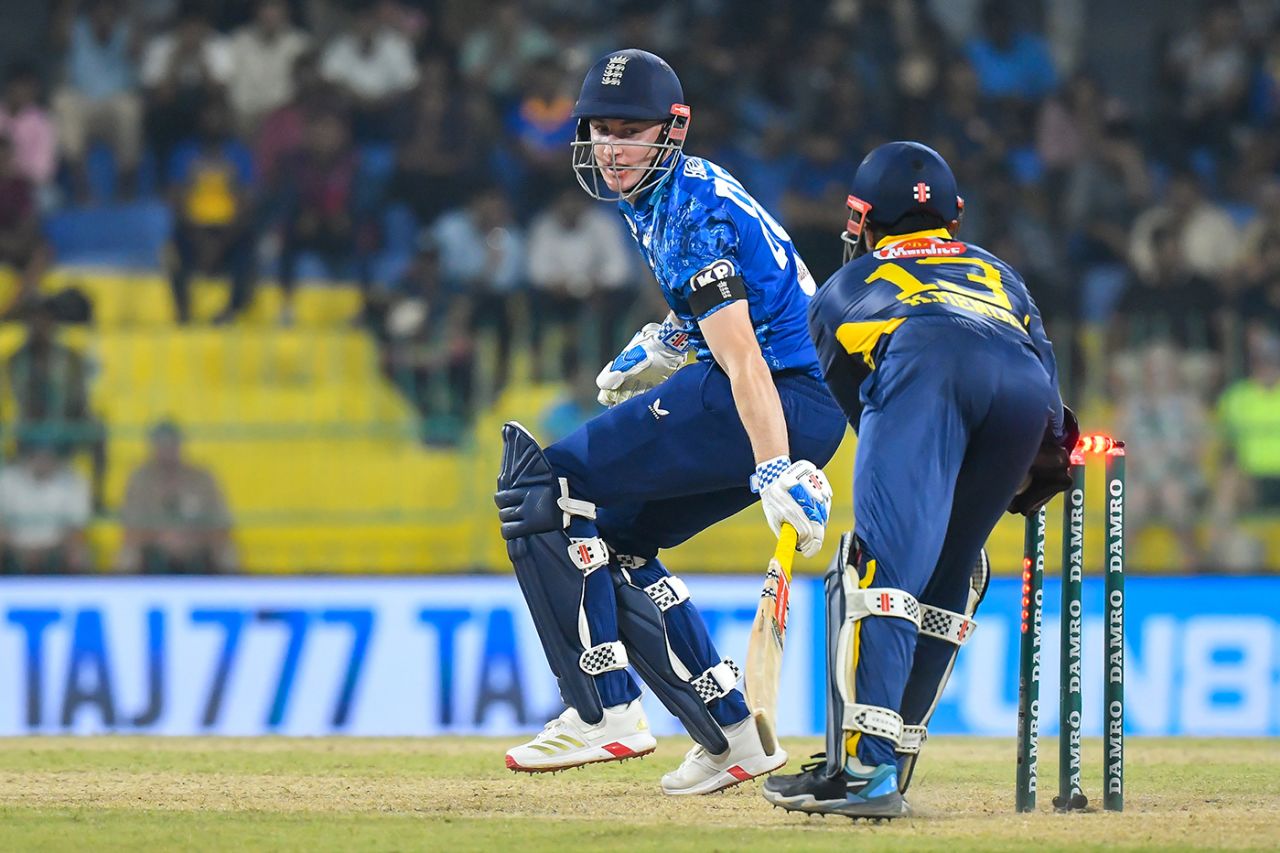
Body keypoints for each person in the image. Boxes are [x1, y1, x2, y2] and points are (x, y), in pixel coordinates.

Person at [494, 50, 847, 795]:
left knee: (545, 488)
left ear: (671, 129)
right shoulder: (667, 191)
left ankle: (603, 710)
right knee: (617, 539)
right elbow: (746, 301)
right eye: (601, 131)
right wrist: (662, 341)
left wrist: (775, 464)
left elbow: (747, 356)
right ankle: (732, 733)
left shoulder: (687, 213)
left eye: (631, 131)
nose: (613, 149)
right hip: (797, 401)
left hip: (766, 398)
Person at [762, 142, 1075, 818]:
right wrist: (1039, 460)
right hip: (1022, 393)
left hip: (925, 365)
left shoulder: (845, 286)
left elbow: (864, 410)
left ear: (865, 219)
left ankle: (864, 769)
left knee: (878, 566)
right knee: (949, 573)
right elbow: (1051, 397)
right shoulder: (1002, 274)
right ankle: (890, 761)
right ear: (953, 218)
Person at [115, 420, 236, 574]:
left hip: (198, 543)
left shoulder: (202, 478)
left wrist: (190, 539)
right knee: (126, 556)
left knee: (228, 553)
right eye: (161, 445)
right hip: (153, 545)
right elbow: (130, 529)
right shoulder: (139, 479)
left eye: (171, 445)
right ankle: (126, 597)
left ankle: (229, 596)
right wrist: (161, 538)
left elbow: (221, 525)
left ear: (180, 446)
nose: (166, 451)